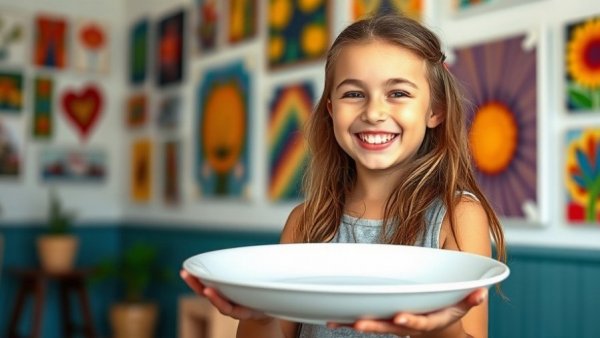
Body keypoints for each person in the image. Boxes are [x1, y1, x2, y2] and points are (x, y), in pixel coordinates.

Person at [181, 13, 506, 338]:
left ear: (435, 110)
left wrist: (441, 328)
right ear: (332, 109)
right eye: (353, 94)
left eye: (398, 94)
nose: (374, 113)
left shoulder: (457, 216)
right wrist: (260, 315)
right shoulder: (305, 222)